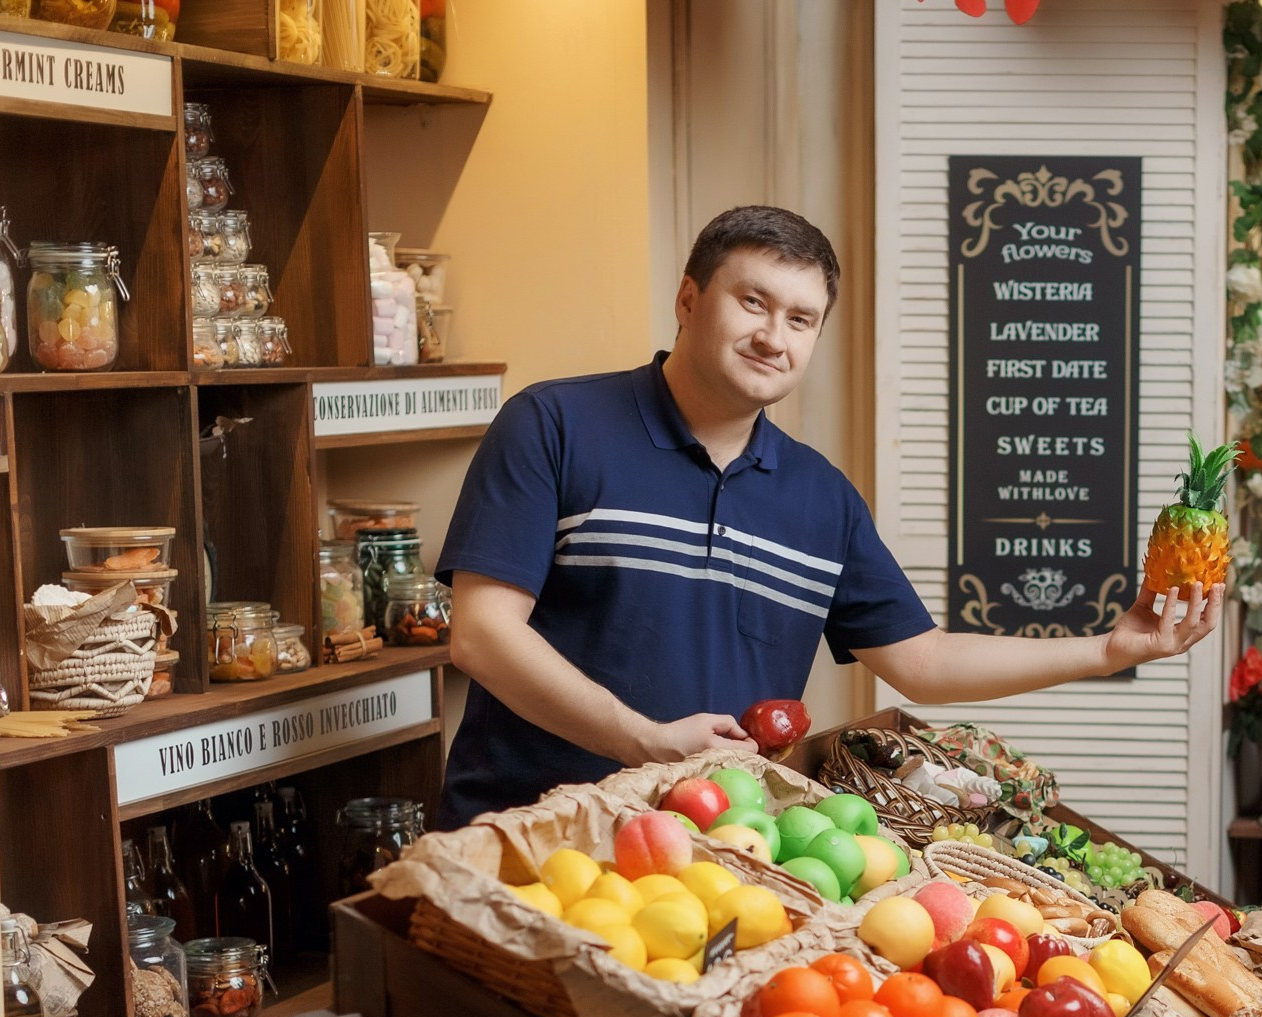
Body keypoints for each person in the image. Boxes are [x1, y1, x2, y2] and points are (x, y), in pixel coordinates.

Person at [434, 205, 1222, 827]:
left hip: (719, 851)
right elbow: (481, 633)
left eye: (802, 319)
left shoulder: (821, 498)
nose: (774, 337)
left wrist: (1110, 649)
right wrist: (644, 742)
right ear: (687, 298)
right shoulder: (554, 424)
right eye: (753, 302)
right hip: (526, 837)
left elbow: (923, 661)